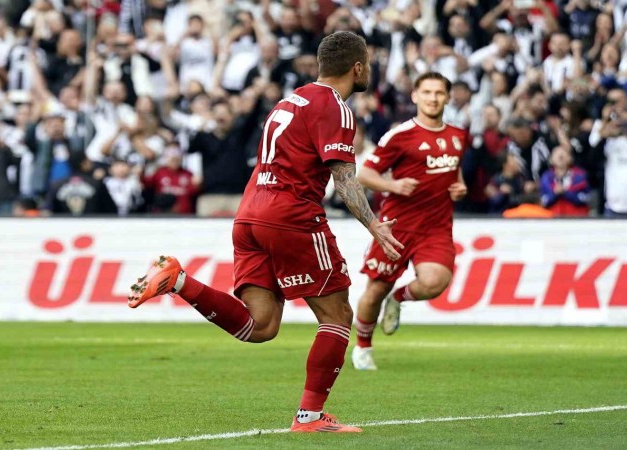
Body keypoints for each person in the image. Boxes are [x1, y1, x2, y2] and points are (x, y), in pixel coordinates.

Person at [126, 31, 402, 433]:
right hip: (291, 216)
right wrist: (373, 223)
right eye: (369, 65)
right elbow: (343, 178)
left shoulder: (289, 101)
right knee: (338, 315)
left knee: (261, 326)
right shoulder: (336, 107)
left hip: (250, 214)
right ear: (357, 67)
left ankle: (178, 280)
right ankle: (309, 417)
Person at [351, 72, 467, 371]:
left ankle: (398, 298)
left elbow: (453, 170)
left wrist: (460, 186)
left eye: (439, 93)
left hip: (436, 226)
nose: (432, 98)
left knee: (435, 282)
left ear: (447, 97)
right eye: (426, 92)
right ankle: (363, 347)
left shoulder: (458, 135)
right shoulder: (400, 136)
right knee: (375, 290)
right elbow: (365, 174)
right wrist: (393, 185)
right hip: (397, 226)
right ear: (415, 96)